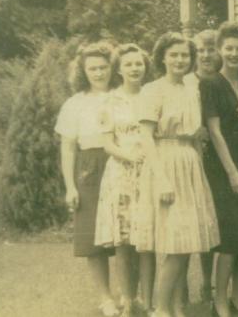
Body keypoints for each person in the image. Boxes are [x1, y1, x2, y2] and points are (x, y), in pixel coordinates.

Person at [139, 32, 220, 317]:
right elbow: (146, 138)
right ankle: (159, 310)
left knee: (186, 242)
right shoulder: (153, 89)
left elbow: (197, 134)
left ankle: (175, 307)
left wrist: (197, 168)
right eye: (174, 54)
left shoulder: (191, 89)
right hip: (165, 161)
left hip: (189, 163)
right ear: (162, 57)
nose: (180, 60)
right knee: (174, 243)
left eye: (185, 55)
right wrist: (161, 178)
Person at [200, 22, 238, 317]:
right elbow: (214, 131)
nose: (234, 53)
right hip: (223, 165)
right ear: (219, 50)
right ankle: (220, 300)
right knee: (229, 233)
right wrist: (232, 172)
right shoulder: (210, 84)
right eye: (229, 48)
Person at [55, 41, 118, 317]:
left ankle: (132, 294)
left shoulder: (123, 95)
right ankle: (106, 297)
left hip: (122, 161)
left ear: (111, 68)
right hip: (89, 167)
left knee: (132, 234)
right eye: (92, 68)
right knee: (93, 236)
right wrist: (70, 186)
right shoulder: (75, 103)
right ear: (83, 71)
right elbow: (68, 147)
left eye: (103, 67)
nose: (98, 73)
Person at [94, 44, 155, 316]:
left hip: (149, 172)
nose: (134, 68)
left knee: (147, 238)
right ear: (119, 69)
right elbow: (107, 143)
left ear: (145, 66)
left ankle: (149, 299)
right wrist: (129, 157)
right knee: (124, 241)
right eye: (129, 64)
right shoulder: (109, 101)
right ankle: (128, 300)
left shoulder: (153, 95)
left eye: (139, 63)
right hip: (120, 173)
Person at [184, 29, 221, 302]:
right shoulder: (185, 82)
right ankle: (187, 286)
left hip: (220, 157)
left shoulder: (224, 80)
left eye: (211, 49)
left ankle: (212, 284)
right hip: (191, 158)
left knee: (216, 224)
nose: (207, 55)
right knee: (190, 223)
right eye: (201, 50)